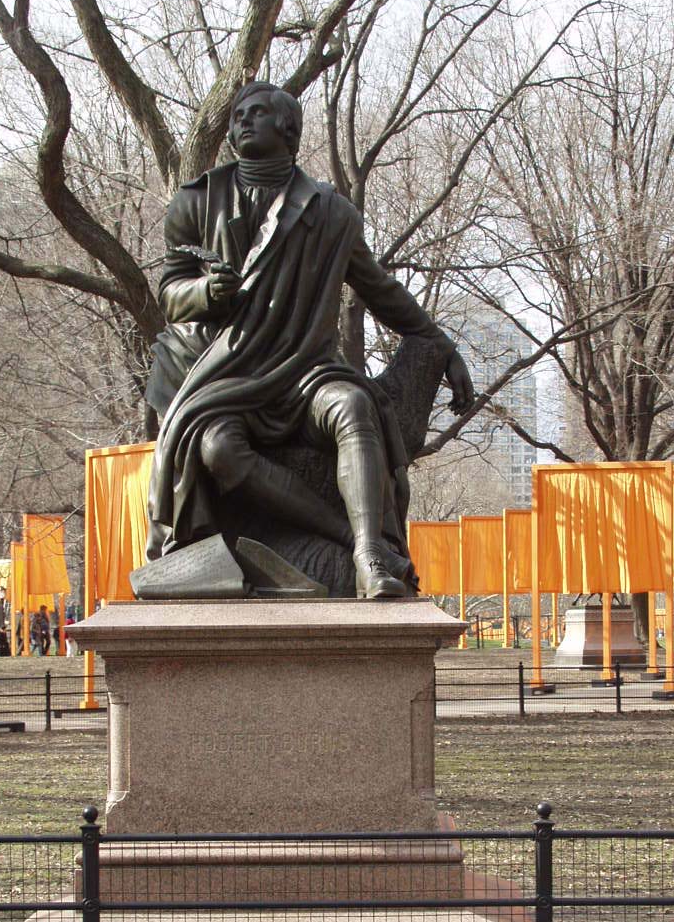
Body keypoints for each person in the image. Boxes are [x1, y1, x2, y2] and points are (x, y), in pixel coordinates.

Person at [145, 80, 474, 598]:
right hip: (227, 373)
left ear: (289, 129)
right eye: (237, 116)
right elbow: (170, 292)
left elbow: (378, 288)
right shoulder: (196, 202)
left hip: (304, 371)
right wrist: (206, 292)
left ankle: (370, 558)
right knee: (216, 448)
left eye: (256, 113)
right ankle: (348, 537)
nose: (242, 121)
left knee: (352, 406)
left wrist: (440, 343)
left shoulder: (331, 213)